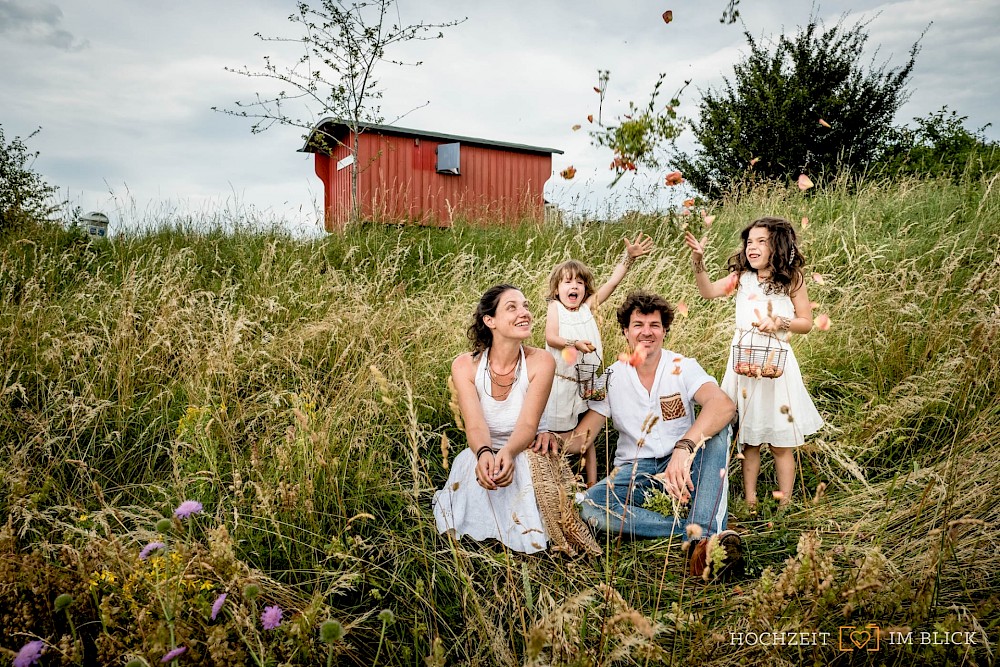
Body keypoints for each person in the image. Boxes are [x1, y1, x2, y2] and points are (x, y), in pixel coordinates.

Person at [545, 290, 743, 577]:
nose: (646, 332)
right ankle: (698, 529)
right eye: (638, 325)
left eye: (654, 326)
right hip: (636, 473)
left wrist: (684, 447)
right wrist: (549, 438)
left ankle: (701, 547)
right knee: (586, 507)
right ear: (626, 332)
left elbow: (723, 405)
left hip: (686, 468)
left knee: (719, 429)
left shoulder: (682, 367)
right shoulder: (611, 377)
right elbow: (583, 438)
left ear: (664, 331)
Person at [685, 216, 824, 512]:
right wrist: (699, 261)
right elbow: (707, 291)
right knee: (749, 440)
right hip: (744, 362)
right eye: (750, 242)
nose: (753, 247)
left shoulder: (792, 279)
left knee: (779, 441)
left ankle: (784, 502)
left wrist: (779, 321)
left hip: (776, 363)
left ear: (778, 245)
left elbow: (806, 322)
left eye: (762, 241)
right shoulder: (742, 277)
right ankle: (750, 501)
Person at [432, 284, 556, 553]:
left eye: (525, 306)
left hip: (523, 450)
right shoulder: (464, 365)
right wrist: (484, 453)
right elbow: (475, 424)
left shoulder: (542, 362)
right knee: (470, 467)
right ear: (490, 321)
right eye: (512, 307)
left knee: (527, 496)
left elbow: (527, 425)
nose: (524, 313)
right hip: (482, 449)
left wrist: (509, 452)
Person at [543, 233, 654, 487]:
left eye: (580, 283)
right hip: (561, 386)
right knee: (559, 438)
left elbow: (612, 284)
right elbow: (551, 338)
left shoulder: (588, 307)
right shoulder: (555, 308)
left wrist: (629, 258)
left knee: (588, 435)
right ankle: (560, 483)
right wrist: (575, 344)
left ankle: (592, 485)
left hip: (588, 383)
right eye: (567, 282)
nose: (574, 287)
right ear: (557, 289)